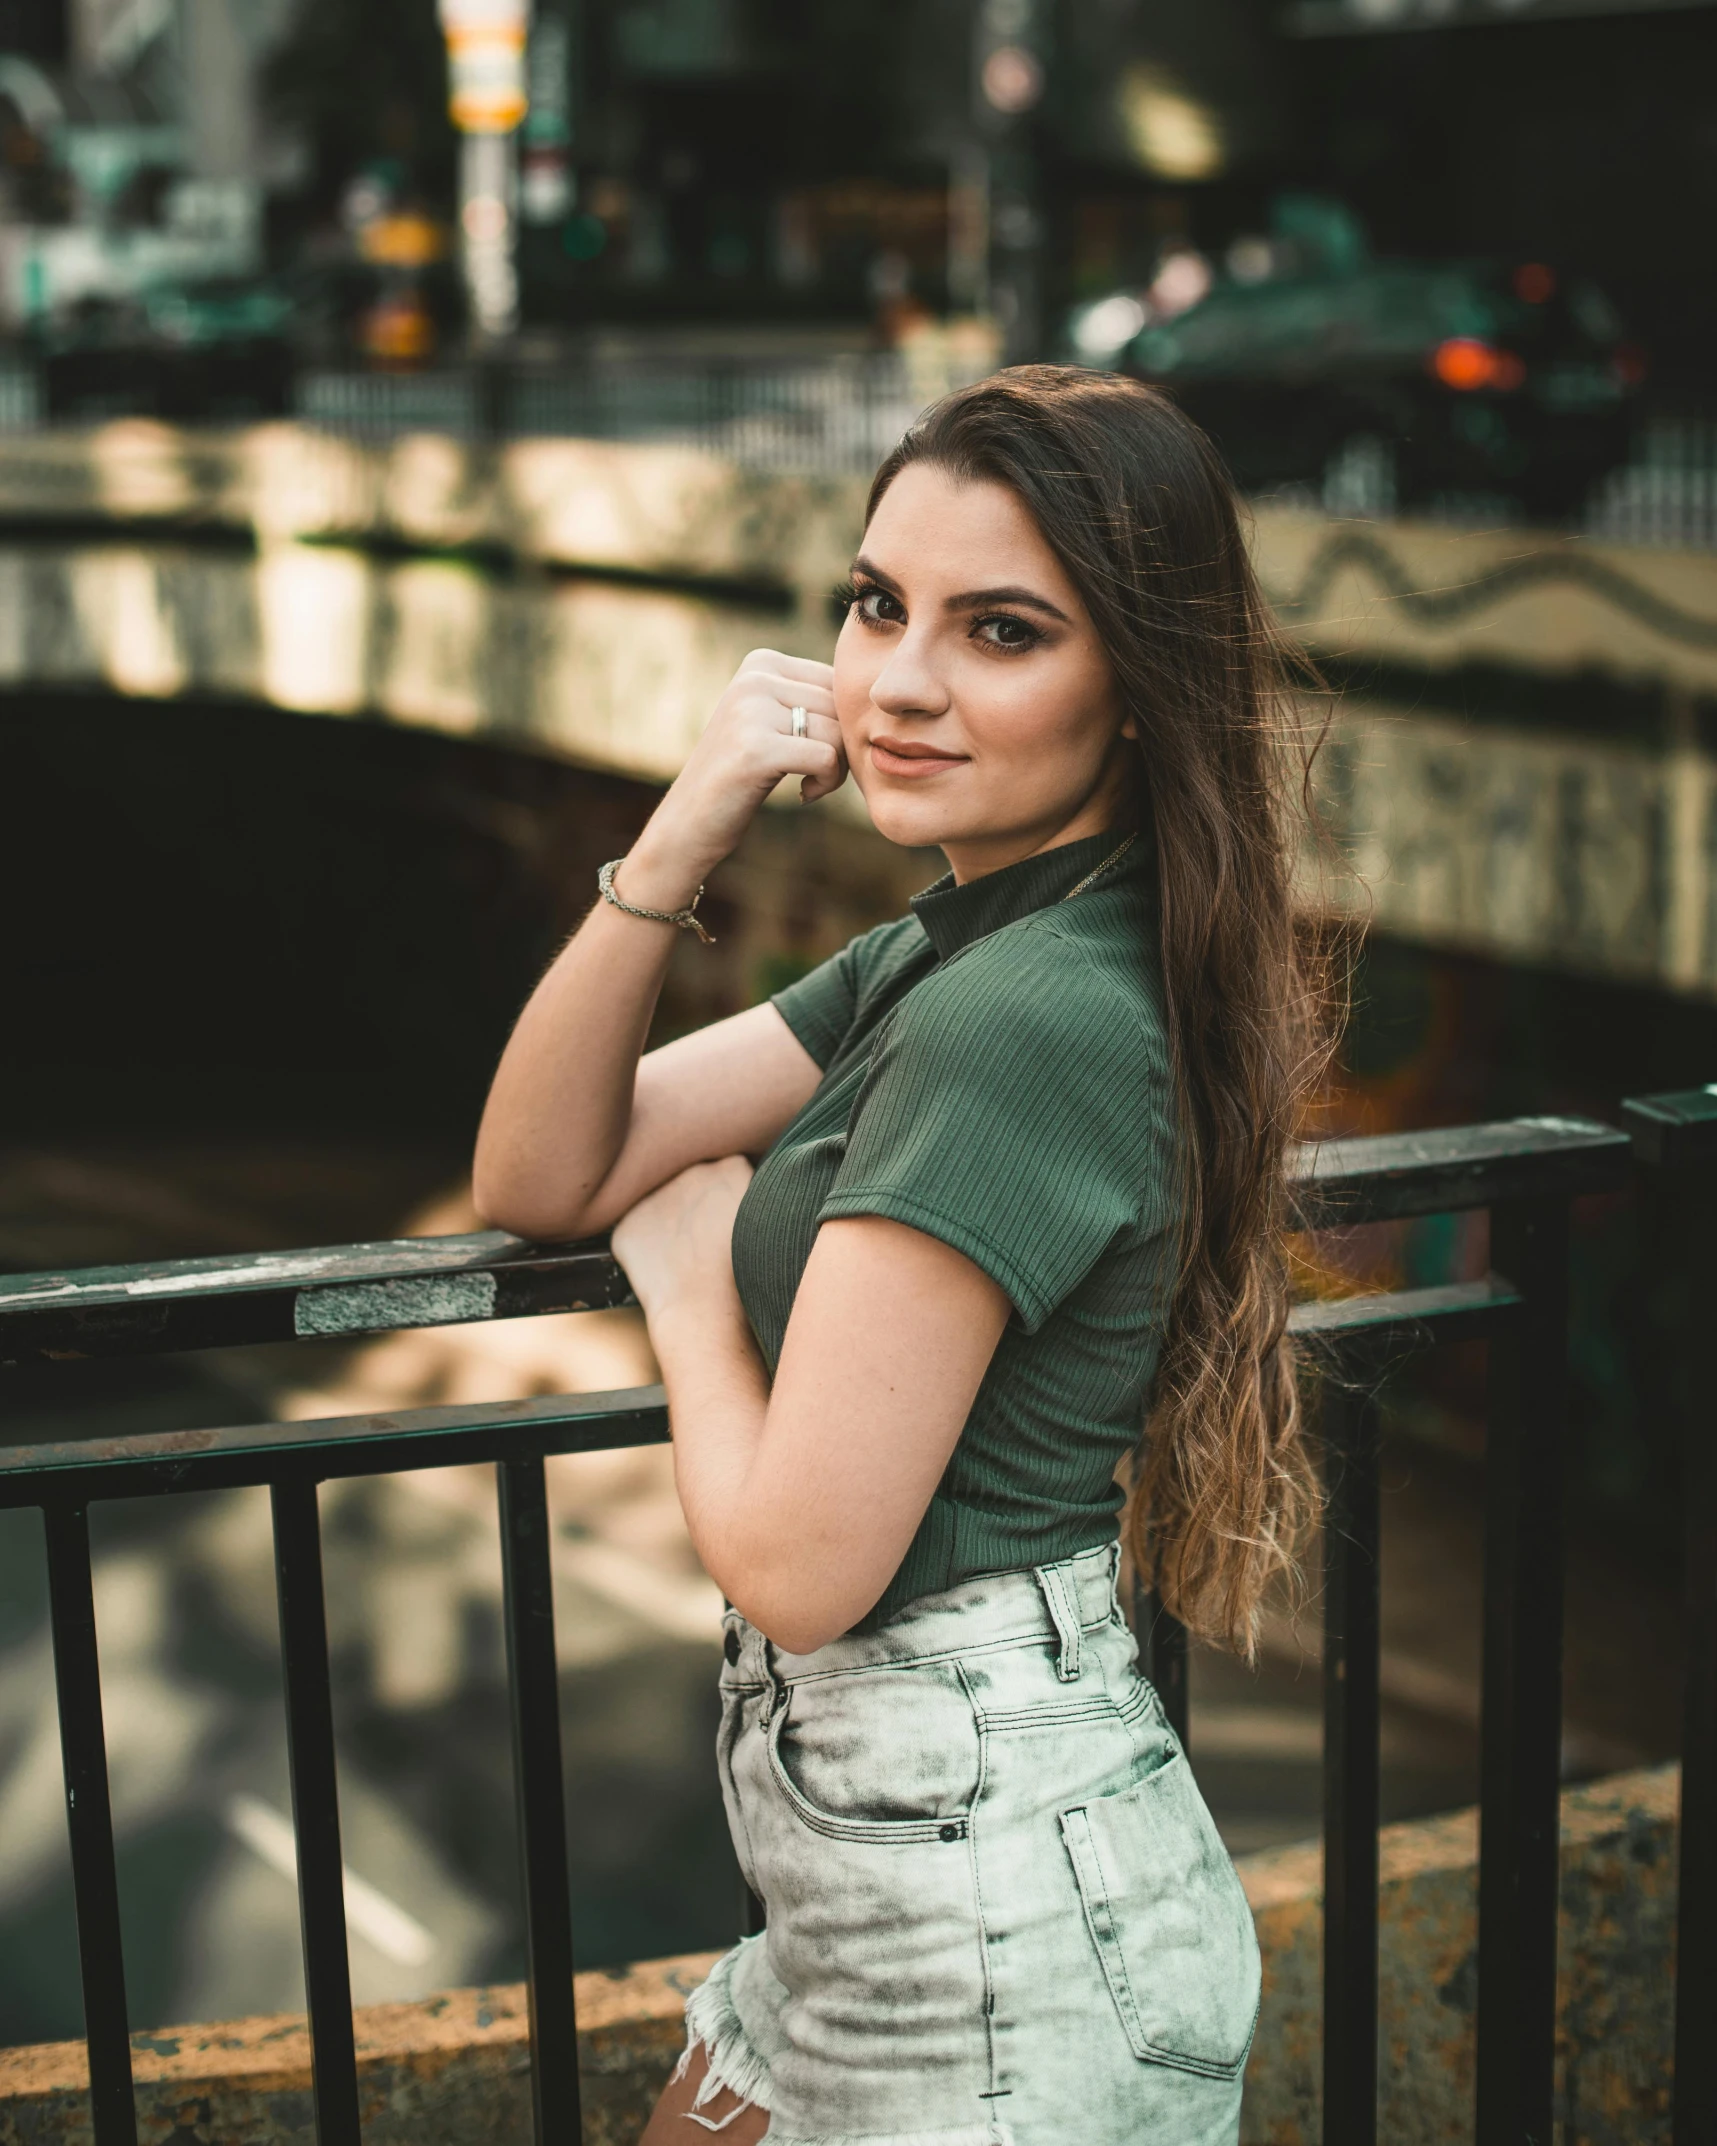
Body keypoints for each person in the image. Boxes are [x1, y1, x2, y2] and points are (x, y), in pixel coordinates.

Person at [472, 366, 1331, 2146]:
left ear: (1138, 695)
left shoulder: (1022, 1016)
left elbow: (800, 1557)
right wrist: (694, 817)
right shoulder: (954, 948)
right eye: (877, 606)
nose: (899, 681)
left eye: (1000, 630)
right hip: (901, 1874)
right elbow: (543, 1164)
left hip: (989, 1928)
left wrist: (693, 1277)